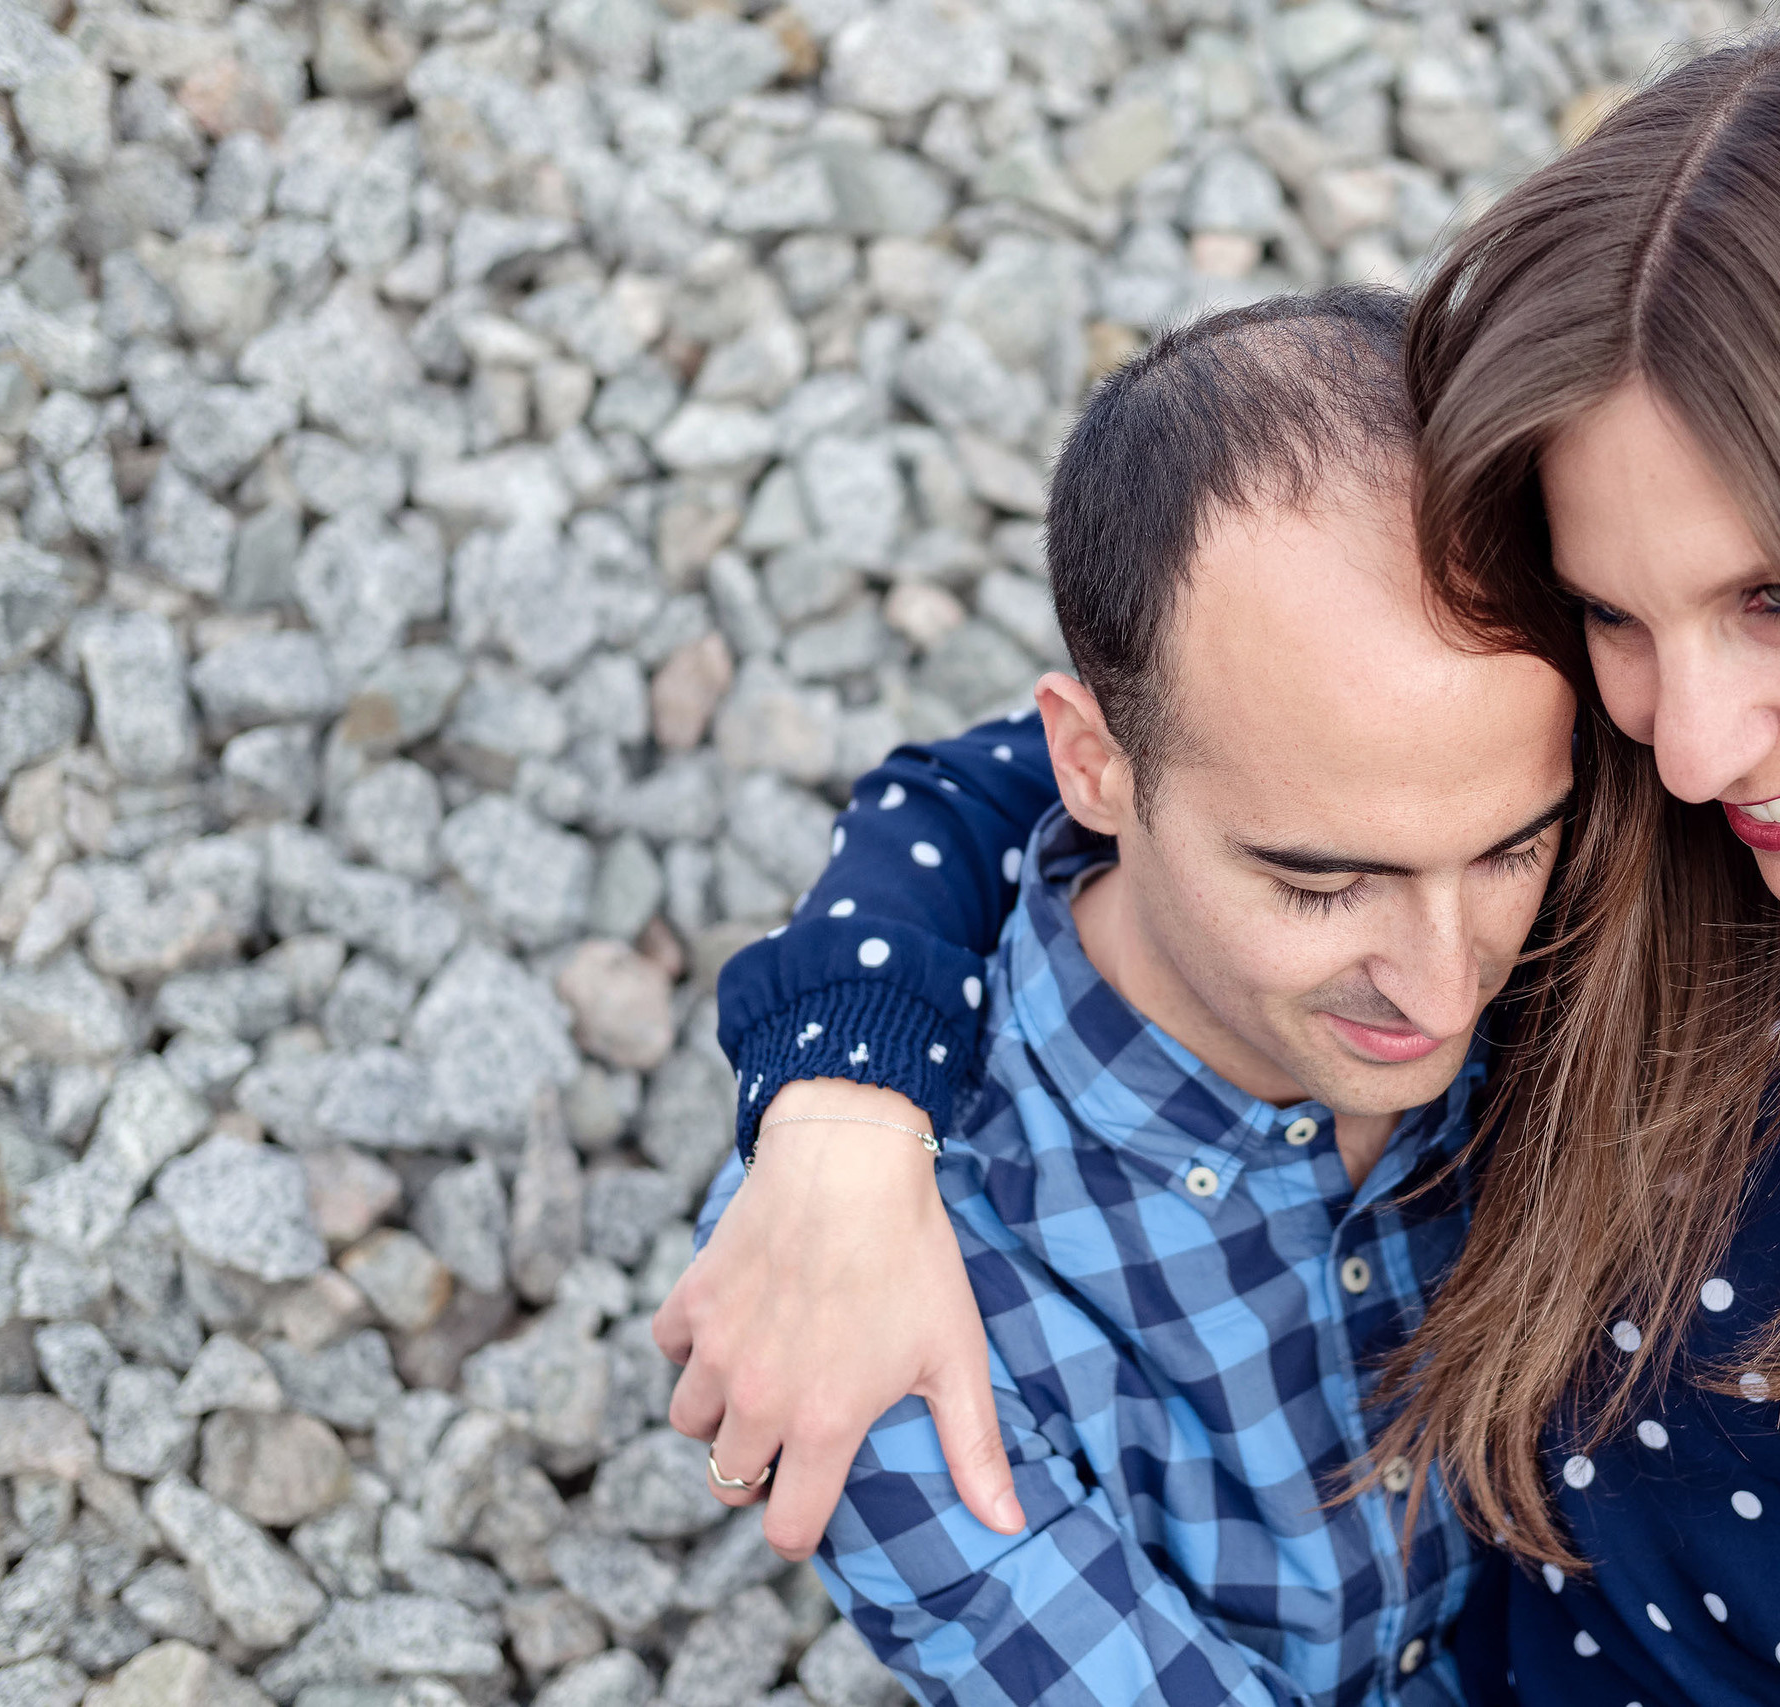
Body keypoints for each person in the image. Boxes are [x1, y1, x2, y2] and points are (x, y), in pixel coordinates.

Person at [658, 12, 1780, 1705]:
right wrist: (837, 1111)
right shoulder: (1659, 787)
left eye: (1775, 598)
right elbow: (1050, 779)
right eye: (1616, 613)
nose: (1688, 746)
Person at [663, 288, 1580, 1703]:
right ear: (1090, 765)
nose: (1448, 978)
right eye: (1322, 881)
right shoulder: (872, 1280)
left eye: (1515, 845)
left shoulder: (1603, 910)